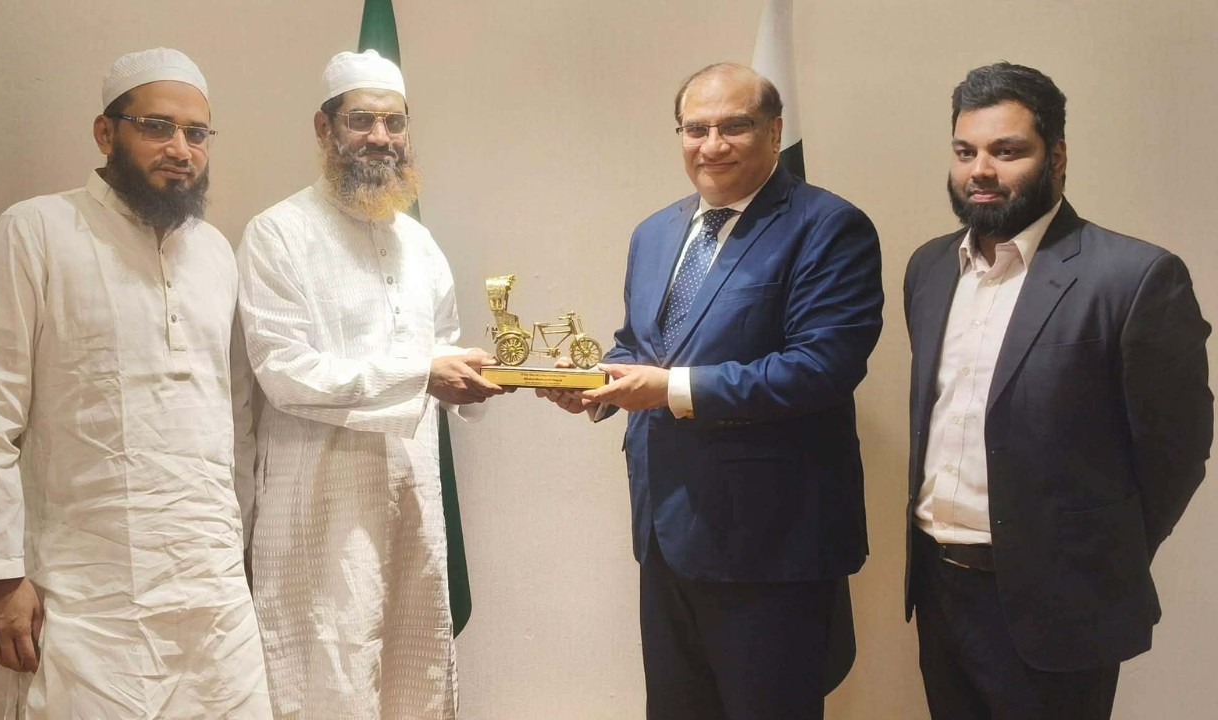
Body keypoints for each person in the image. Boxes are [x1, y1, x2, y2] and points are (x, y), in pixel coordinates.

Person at [540, 62, 883, 719]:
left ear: (775, 132)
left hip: (771, 545)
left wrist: (669, 388)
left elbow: (821, 367)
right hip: (665, 532)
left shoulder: (828, 227)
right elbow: (639, 345)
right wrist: (596, 386)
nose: (712, 145)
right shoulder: (656, 232)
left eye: (734, 126)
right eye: (695, 129)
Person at [0, 48, 271, 718]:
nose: (180, 148)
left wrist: (239, 547)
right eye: (157, 126)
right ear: (105, 132)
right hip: (84, 595)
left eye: (196, 133)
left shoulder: (215, 253)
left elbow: (234, 416)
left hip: (211, 591)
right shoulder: (34, 231)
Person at [903, 61, 1212, 719]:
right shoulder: (929, 269)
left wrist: (1088, 554)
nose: (981, 170)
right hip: (939, 590)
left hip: (1061, 605)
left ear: (1057, 157)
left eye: (1007, 151)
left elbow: (1176, 454)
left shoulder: (1134, 277)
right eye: (966, 151)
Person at [236, 49, 503, 719]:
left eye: (395, 122)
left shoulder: (419, 244)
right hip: (318, 507)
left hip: (413, 496)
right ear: (324, 128)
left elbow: (441, 347)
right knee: (328, 665)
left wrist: (482, 375)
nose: (380, 137)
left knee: (413, 669)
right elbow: (285, 373)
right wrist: (422, 373)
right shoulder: (277, 234)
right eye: (361, 120)